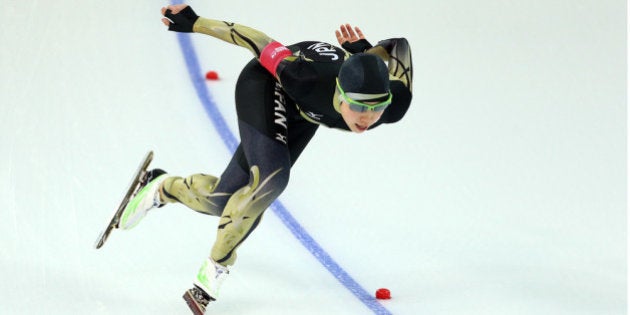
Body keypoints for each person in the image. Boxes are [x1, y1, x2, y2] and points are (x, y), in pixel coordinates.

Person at [118, 4, 413, 312]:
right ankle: (215, 268)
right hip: (266, 84)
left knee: (222, 201)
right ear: (340, 93)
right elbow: (257, 41)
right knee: (272, 178)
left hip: (304, 114)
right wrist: (195, 23)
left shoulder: (394, 102)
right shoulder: (306, 77)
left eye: (375, 108)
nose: (366, 118)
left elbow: (401, 48)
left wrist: (368, 54)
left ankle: (161, 186)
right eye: (358, 107)